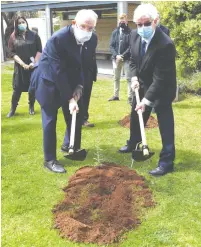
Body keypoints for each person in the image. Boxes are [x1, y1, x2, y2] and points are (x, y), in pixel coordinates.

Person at [30, 9, 98, 173]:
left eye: (91, 28)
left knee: (76, 113)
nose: (87, 31)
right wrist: (70, 98)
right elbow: (57, 71)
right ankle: (50, 159)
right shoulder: (58, 39)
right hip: (49, 82)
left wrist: (79, 87)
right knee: (50, 120)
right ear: (74, 23)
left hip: (70, 79)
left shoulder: (92, 39)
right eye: (84, 26)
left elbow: (84, 64)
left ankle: (70, 145)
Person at [119, 3, 177, 176]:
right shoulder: (134, 35)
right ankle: (134, 142)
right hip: (143, 83)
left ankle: (167, 161)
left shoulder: (165, 44)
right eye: (139, 24)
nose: (142, 27)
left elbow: (160, 79)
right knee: (136, 116)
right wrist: (134, 77)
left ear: (155, 21)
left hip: (162, 87)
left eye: (146, 23)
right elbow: (133, 60)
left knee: (165, 122)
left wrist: (146, 100)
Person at [7, 16, 42, 118]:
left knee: (32, 88)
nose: (22, 24)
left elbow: (39, 50)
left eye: (23, 22)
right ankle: (12, 109)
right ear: (16, 25)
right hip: (20, 67)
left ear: (26, 23)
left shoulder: (34, 35)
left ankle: (31, 107)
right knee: (17, 89)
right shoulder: (13, 37)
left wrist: (34, 63)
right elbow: (11, 53)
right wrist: (22, 64)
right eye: (19, 23)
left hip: (32, 67)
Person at [108, 13, 133, 105]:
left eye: (123, 20)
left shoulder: (130, 32)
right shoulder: (115, 32)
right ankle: (116, 95)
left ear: (126, 21)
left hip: (126, 59)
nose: (122, 22)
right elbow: (111, 46)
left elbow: (131, 46)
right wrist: (116, 56)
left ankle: (130, 97)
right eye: (120, 20)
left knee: (129, 79)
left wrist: (122, 56)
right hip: (116, 59)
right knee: (116, 78)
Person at [82, 32, 98, 127]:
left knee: (86, 95)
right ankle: (74, 119)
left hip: (89, 71)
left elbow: (93, 54)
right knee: (76, 95)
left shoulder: (93, 37)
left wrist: (93, 71)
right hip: (76, 70)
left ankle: (84, 118)